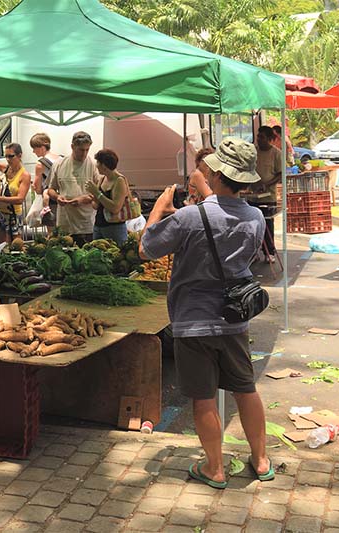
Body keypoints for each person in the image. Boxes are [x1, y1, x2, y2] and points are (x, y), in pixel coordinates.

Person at [139, 138, 272, 489]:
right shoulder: (256, 217)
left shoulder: (190, 216)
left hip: (193, 321)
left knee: (203, 396)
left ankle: (215, 468)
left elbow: (146, 248)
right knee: (246, 388)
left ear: (216, 174)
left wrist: (159, 208)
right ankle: (261, 460)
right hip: (234, 318)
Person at [46, 131, 98, 246]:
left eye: (87, 150)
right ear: (72, 147)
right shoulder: (59, 164)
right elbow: (50, 189)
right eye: (81, 150)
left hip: (87, 225)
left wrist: (86, 199)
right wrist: (57, 197)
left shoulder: (94, 165)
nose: (84, 153)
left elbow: (100, 193)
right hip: (65, 223)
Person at [0, 143, 31, 243]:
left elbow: (20, 199)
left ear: (19, 156)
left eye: (11, 156)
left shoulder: (24, 175)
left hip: (14, 214)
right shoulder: (6, 168)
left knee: (15, 246)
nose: (8, 159)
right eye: (6, 156)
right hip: (1, 213)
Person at [246, 126, 282, 263]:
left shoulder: (276, 153)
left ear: (269, 139)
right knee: (252, 225)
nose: (258, 140)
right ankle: (254, 251)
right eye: (258, 137)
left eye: (262, 137)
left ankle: (269, 252)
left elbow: (280, 174)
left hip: (268, 196)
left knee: (267, 224)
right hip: (252, 196)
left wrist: (266, 185)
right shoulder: (253, 152)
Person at [84, 148, 128, 245]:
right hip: (98, 225)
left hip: (114, 228)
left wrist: (97, 193)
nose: (96, 165)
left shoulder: (119, 181)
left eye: (98, 162)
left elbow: (115, 208)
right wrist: (92, 196)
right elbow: (96, 205)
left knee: (116, 252)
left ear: (104, 165)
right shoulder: (102, 179)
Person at [29, 133, 62, 231]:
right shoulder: (62, 159)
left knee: (52, 234)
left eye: (34, 148)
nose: (33, 151)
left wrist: (34, 186)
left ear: (42, 147)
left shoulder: (40, 164)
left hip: (51, 202)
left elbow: (38, 190)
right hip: (64, 200)